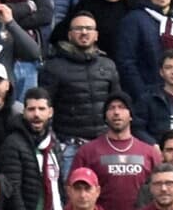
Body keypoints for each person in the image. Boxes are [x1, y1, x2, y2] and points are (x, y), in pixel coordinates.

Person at [39, 11, 120, 178]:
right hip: (69, 146)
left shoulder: (108, 65)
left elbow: (117, 105)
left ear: (96, 35)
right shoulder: (53, 67)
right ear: (69, 35)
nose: (84, 32)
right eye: (79, 28)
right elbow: (45, 108)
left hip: (104, 144)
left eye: (89, 28)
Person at [70, 93, 162, 210]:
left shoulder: (149, 153)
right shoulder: (87, 152)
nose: (116, 112)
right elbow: (73, 191)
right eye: (111, 108)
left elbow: (161, 190)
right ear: (105, 117)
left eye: (122, 107)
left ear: (131, 115)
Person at [0, 87, 63, 210]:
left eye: (41, 109)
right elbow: (13, 193)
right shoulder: (12, 144)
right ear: (24, 112)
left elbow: (60, 184)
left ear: (50, 112)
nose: (37, 114)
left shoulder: (54, 143)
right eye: (31, 109)